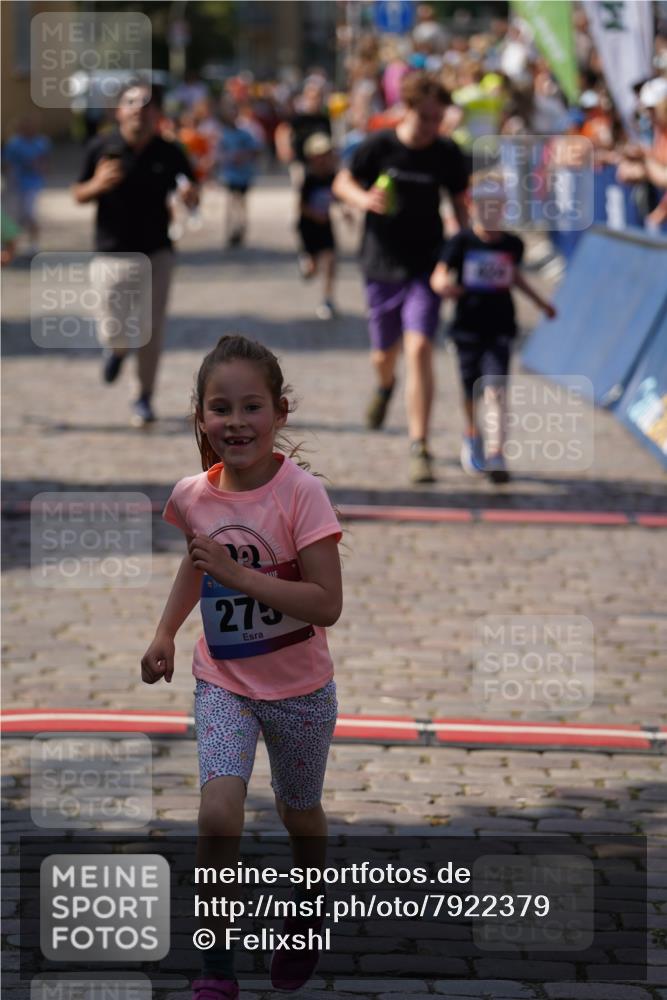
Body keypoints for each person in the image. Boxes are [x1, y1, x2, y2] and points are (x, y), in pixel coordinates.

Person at [140, 335, 342, 1000]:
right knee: (217, 814)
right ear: (200, 417)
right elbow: (196, 565)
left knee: (299, 813)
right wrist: (166, 631)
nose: (235, 421)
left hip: (300, 690)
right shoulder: (192, 496)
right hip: (224, 683)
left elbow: (327, 603)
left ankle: (306, 912)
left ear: (279, 413)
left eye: (251, 406)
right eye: (220, 408)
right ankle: (216, 965)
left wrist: (241, 577)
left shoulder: (302, 495)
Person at [332, 71, 470, 484]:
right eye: (425, 117)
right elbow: (342, 182)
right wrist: (364, 199)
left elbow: (459, 203)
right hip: (381, 261)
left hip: (427, 263)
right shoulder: (379, 145)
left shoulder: (446, 153)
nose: (432, 127)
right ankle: (384, 385)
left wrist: (465, 249)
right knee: (383, 353)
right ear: (406, 110)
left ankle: (419, 445)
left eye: (438, 119)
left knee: (421, 346)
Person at [72, 80, 199, 427]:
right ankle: (116, 349)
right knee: (114, 327)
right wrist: (97, 184)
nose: (139, 110)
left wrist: (191, 197)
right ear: (119, 111)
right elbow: (78, 194)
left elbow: (191, 191)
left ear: (158, 114)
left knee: (150, 329)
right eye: (131, 102)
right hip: (111, 254)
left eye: (147, 104)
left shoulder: (170, 152)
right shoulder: (102, 147)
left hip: (157, 253)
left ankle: (143, 396)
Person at [430, 177, 557, 484]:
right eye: (484, 206)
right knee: (470, 390)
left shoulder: (513, 244)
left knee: (496, 387)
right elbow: (439, 275)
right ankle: (472, 433)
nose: (490, 212)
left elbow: (514, 276)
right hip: (466, 329)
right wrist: (443, 286)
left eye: (496, 206)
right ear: (472, 206)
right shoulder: (461, 242)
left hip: (500, 327)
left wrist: (541, 302)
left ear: (504, 208)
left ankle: (497, 452)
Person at [297, 132, 338, 320]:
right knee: (312, 269)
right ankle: (307, 264)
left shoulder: (333, 176)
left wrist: (345, 212)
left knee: (330, 261)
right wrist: (315, 215)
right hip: (308, 226)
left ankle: (328, 299)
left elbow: (338, 196)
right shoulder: (309, 177)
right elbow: (300, 206)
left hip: (325, 225)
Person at [3, 116, 50, 256]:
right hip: (15, 185)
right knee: (12, 218)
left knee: (30, 215)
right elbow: (6, 164)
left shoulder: (41, 142)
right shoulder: (14, 144)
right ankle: (10, 247)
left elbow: (45, 162)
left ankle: (33, 245)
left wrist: (41, 167)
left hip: (32, 185)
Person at [217, 101, 261, 248]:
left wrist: (243, 156)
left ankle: (241, 229)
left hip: (243, 174)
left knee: (241, 203)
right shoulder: (222, 134)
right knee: (231, 202)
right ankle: (231, 231)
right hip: (230, 174)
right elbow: (218, 153)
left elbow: (255, 150)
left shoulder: (245, 134)